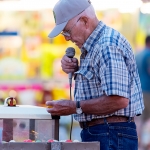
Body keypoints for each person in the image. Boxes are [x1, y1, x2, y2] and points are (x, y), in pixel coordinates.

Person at [46, 0, 144, 149]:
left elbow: (118, 100)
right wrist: (77, 68)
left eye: (67, 31)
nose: (66, 38)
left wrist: (74, 106)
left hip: (110, 133)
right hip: (107, 132)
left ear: (84, 21)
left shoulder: (107, 45)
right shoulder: (95, 45)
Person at [135, 35, 150, 122]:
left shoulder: (137, 55)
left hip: (138, 91)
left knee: (141, 119)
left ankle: (140, 135)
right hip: (148, 90)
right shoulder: (148, 54)